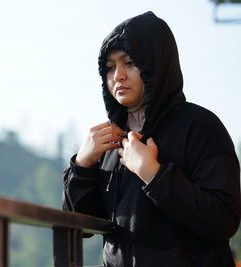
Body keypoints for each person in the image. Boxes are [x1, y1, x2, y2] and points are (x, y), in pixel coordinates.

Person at [62, 11, 241, 267]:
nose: (118, 76)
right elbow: (79, 225)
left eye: (130, 62)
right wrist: (82, 165)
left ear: (156, 65)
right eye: (110, 67)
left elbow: (224, 220)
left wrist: (154, 175)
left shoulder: (201, 126)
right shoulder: (110, 139)